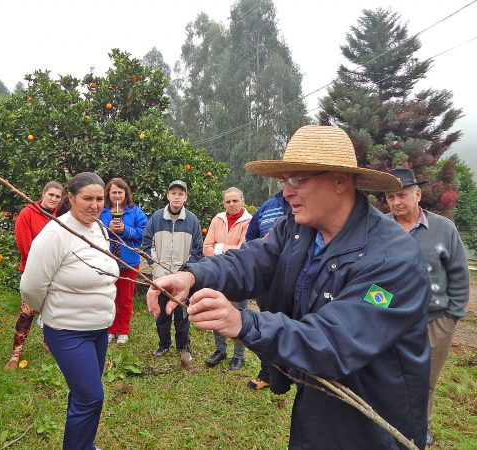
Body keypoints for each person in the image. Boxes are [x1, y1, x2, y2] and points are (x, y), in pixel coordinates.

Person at [147, 125, 432, 449]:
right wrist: (192, 275)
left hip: (375, 425)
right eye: (285, 181)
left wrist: (243, 322)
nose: (286, 193)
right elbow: (250, 261)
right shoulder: (298, 230)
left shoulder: (392, 260)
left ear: (340, 181)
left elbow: (334, 341)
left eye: (298, 179)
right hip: (315, 406)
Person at [21, 172, 118, 450]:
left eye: (100, 198)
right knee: (90, 397)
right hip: (68, 331)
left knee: (82, 393)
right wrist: (50, 317)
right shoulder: (55, 234)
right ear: (70, 199)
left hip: (99, 328)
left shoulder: (99, 229)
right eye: (87, 198)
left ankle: (83, 444)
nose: (95, 204)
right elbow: (31, 287)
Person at [385, 167, 470, 446]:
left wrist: (452, 316)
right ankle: (387, 423)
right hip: (390, 321)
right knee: (388, 375)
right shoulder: (379, 228)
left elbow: (458, 272)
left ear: (417, 194)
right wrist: (376, 308)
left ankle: (420, 427)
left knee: (426, 379)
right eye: (389, 197)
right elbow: (370, 276)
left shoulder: (443, 228)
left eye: (401, 195)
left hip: (435, 321)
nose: (395, 202)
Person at [142, 180, 203, 367]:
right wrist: (156, 268)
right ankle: (163, 344)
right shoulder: (156, 217)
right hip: (161, 279)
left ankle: (183, 347)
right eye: (173, 193)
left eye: (180, 194)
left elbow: (197, 250)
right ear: (168, 196)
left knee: (182, 315)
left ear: (185, 197)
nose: (177, 197)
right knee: (162, 314)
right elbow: (146, 243)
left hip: (182, 279)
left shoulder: (192, 220)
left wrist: (185, 273)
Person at [5, 181, 63, 370]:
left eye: (57, 196)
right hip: (32, 272)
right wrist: (41, 267)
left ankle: (49, 345)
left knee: (51, 311)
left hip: (54, 274)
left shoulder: (58, 218)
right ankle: (16, 353)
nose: (54, 199)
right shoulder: (27, 213)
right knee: (27, 313)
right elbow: (25, 247)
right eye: (51, 195)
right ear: (43, 194)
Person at [244, 190, 289, 390]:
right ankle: (268, 373)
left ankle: (293, 374)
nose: (290, 188)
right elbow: (251, 235)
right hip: (270, 280)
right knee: (268, 325)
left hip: (295, 280)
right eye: (285, 179)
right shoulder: (268, 206)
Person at [203, 187, 252, 370]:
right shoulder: (218, 219)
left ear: (242, 201)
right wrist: (225, 248)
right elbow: (206, 247)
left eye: (235, 201)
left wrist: (220, 247)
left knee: (239, 315)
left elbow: (244, 249)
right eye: (228, 201)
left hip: (239, 275)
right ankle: (220, 350)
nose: (231, 204)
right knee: (217, 311)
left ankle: (239, 356)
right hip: (217, 273)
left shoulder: (249, 221)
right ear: (224, 203)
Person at [100, 178, 148, 345]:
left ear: (126, 193)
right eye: (114, 192)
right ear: (108, 194)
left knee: (125, 299)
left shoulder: (134, 212)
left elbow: (143, 233)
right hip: (107, 260)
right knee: (109, 297)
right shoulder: (102, 211)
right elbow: (94, 230)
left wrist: (125, 230)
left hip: (128, 261)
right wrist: (108, 228)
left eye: (120, 192)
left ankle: (123, 330)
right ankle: (111, 329)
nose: (117, 195)